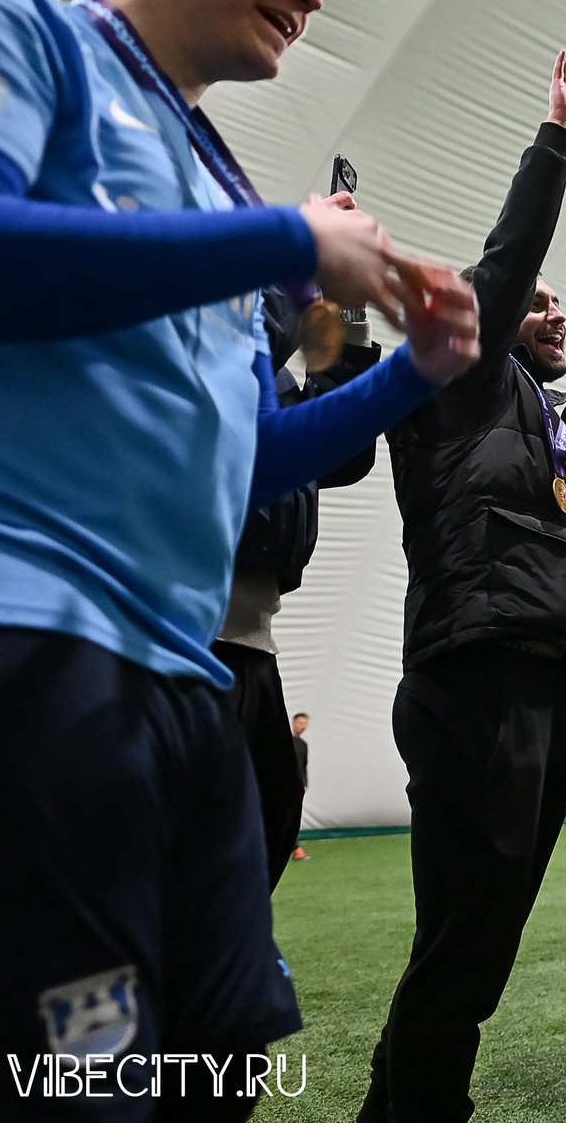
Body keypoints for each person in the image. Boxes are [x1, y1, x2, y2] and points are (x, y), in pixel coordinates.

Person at [0, 0, 479, 1115]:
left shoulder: (218, 180)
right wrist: (283, 239)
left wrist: (410, 377)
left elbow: (251, 455)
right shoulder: (29, 30)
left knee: (221, 1063)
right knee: (78, 1080)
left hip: (188, 678)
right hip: (38, 654)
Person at [361, 50, 566, 1123]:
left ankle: (401, 1106)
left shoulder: (544, 418)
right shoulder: (455, 374)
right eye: (533, 306)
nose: (550, 313)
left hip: (545, 684)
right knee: (466, 938)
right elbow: (502, 270)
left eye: (556, 306)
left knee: (475, 938)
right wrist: (554, 146)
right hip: (479, 676)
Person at [216, 303, 380, 889]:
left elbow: (343, 447)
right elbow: (237, 350)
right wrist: (306, 267)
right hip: (188, 631)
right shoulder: (209, 333)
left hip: (251, 642)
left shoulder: (280, 377)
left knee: (271, 814)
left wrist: (348, 314)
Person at [290, 712, 311, 862]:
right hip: (281, 787)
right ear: (294, 722)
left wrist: (304, 783)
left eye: (305, 724)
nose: (303, 726)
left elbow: (303, 767)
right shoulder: (282, 741)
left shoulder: (303, 745)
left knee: (292, 818)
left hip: (296, 789)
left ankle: (295, 849)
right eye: (300, 723)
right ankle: (296, 849)